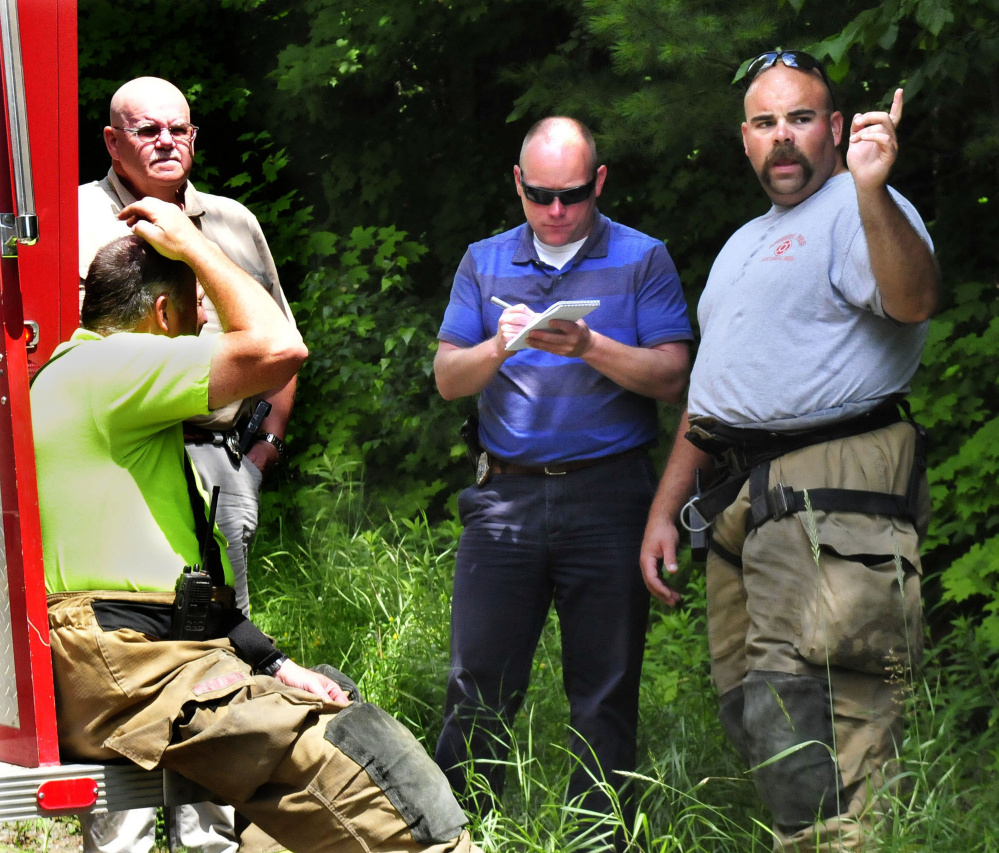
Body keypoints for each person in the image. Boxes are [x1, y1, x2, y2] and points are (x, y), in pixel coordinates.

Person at [33, 197, 481, 853]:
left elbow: (176, 581)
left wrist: (274, 662)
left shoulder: (95, 385)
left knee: (307, 773)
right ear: (163, 315)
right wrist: (193, 244)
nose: (209, 324)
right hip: (136, 662)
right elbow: (279, 346)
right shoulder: (112, 366)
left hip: (151, 654)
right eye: (199, 314)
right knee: (384, 786)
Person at [639, 50, 940, 852]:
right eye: (765, 122)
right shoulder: (743, 244)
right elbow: (712, 394)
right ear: (743, 139)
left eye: (800, 118)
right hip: (746, 499)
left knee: (824, 717)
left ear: (834, 129)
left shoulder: (860, 205)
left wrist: (874, 190)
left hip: (832, 486)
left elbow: (911, 300)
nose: (782, 138)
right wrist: (665, 506)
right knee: (763, 716)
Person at [432, 116, 693, 830]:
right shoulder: (484, 260)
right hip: (505, 494)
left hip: (609, 493)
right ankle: (458, 836)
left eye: (571, 195)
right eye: (540, 195)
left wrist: (588, 346)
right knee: (476, 683)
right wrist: (499, 347)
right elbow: (448, 377)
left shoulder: (642, 258)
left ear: (598, 183)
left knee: (605, 693)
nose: (554, 211)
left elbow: (673, 376)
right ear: (517, 183)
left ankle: (598, 840)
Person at [77, 75, 295, 853]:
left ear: (195, 136)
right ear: (113, 141)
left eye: (179, 129)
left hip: (215, 455)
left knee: (214, 652)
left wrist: (260, 452)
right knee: (133, 646)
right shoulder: (70, 220)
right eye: (147, 130)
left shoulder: (231, 222)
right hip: (117, 460)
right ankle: (124, 835)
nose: (166, 141)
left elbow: (277, 338)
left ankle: (209, 838)